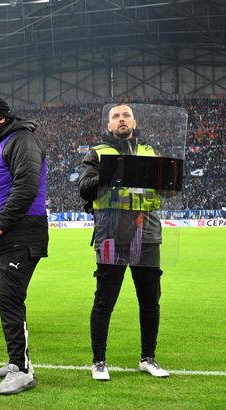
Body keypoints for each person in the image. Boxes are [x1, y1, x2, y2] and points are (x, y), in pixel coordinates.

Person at [78, 104, 170, 381]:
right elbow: (84, 188)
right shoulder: (97, 153)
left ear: (134, 121)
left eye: (125, 115)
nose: (121, 119)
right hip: (111, 234)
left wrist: (170, 179)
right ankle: (99, 362)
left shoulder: (150, 153)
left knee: (150, 300)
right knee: (105, 299)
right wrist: (115, 173)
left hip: (147, 234)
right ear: (109, 125)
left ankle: (148, 358)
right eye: (115, 116)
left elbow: (166, 190)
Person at [0, 97, 48, 395]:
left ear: (0, 119)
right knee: (8, 301)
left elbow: (26, 186)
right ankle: (16, 361)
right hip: (5, 237)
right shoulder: (5, 143)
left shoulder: (23, 140)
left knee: (10, 300)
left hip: (18, 235)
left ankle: (22, 369)